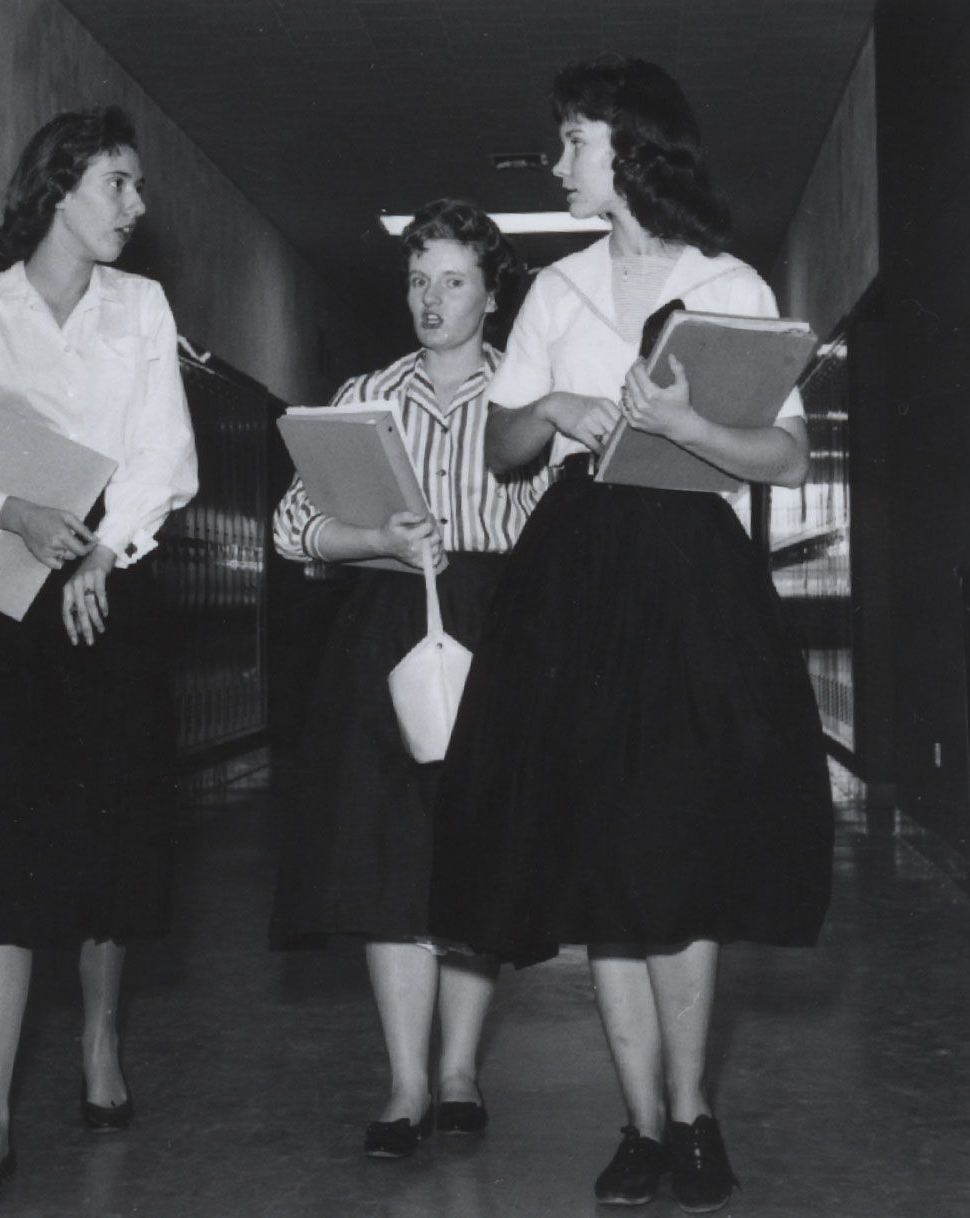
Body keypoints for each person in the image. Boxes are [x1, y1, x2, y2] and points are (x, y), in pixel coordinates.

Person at [427, 58, 833, 1213]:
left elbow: (788, 456)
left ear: (633, 152)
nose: (558, 164)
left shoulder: (732, 287)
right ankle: (642, 1127)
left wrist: (690, 421)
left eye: (574, 143)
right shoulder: (555, 294)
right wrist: (552, 408)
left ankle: (696, 1116)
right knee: (604, 850)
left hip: (691, 582)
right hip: (576, 581)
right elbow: (504, 448)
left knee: (676, 850)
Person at [0, 106, 198, 1201]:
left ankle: (101, 1047)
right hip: (3, 595)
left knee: (114, 833)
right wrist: (9, 508)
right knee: (9, 842)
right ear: (60, 187)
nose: (136, 206)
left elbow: (164, 454)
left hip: (111, 582)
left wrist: (106, 557)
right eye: (119, 183)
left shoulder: (142, 309)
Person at [270, 199, 549, 1158]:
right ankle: (404, 1082)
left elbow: (566, 534)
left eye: (453, 281)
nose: (431, 301)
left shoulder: (527, 392)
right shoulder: (365, 392)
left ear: (491, 289)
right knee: (387, 856)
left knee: (469, 850)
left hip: (499, 627)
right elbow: (290, 526)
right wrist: (373, 539)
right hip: (390, 623)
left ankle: (462, 1070)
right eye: (417, 280)